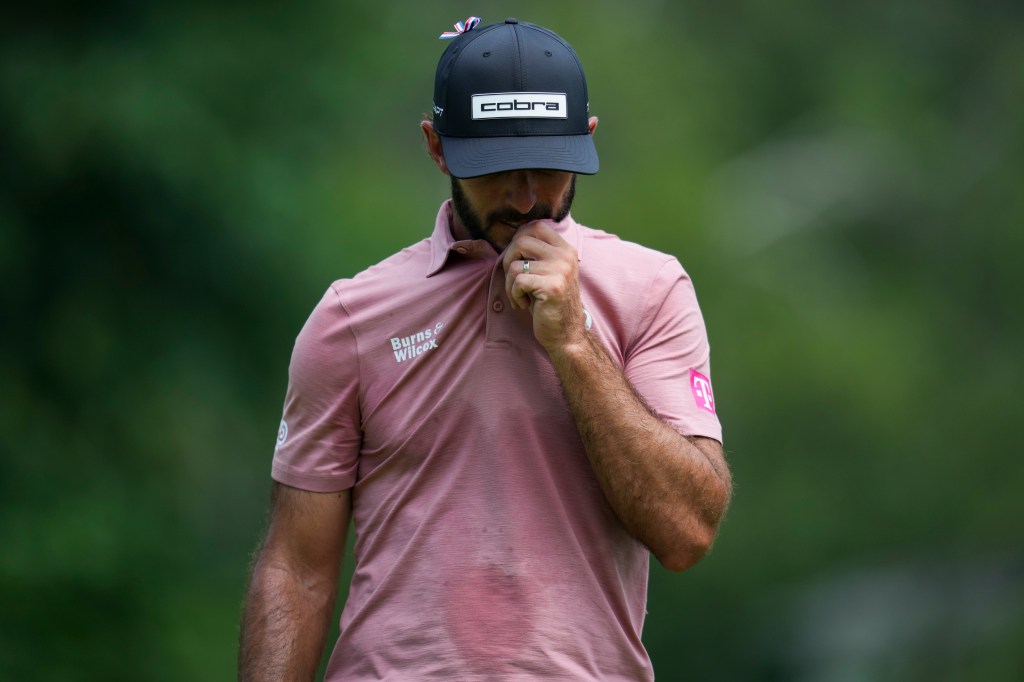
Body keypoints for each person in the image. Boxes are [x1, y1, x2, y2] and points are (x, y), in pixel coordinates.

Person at [239, 17, 732, 681]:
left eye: (550, 169)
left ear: (587, 140)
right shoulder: (350, 318)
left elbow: (686, 532)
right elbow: (296, 571)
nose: (527, 197)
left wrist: (574, 344)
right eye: (495, 171)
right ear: (437, 147)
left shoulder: (651, 290)